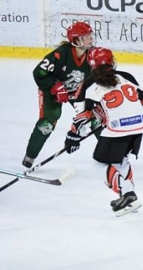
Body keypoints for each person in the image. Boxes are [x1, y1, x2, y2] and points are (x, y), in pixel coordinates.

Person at [65, 47, 143, 216]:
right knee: (121, 160)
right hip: (138, 126)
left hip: (118, 128)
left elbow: (82, 115)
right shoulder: (127, 76)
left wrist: (73, 136)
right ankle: (127, 197)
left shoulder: (88, 85)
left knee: (100, 163)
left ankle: (128, 194)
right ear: (112, 61)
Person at [22, 21, 94, 168]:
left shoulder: (92, 55)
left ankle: (111, 155)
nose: (90, 38)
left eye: (89, 35)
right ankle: (30, 156)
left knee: (95, 117)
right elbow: (39, 73)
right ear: (76, 40)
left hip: (76, 91)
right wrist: (54, 86)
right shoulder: (60, 54)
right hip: (51, 91)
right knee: (47, 122)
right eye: (86, 36)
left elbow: (104, 71)